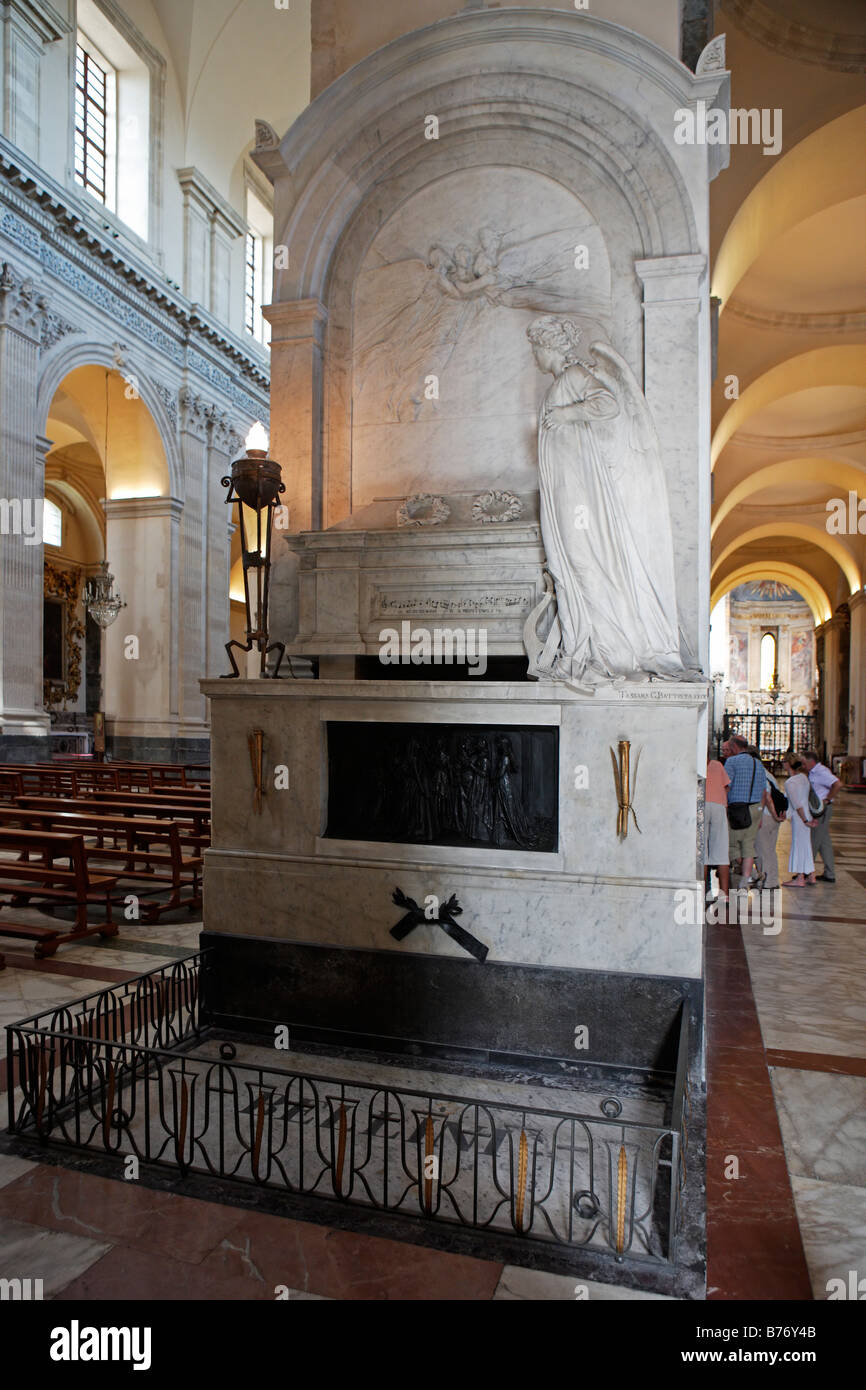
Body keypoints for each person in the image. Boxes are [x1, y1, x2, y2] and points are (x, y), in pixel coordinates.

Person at [722, 734, 767, 889]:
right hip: (755, 808)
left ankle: (752, 874)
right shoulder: (758, 763)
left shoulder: (732, 761)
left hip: (737, 808)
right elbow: (763, 790)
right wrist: (761, 811)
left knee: (732, 843)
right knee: (749, 844)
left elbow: (726, 785)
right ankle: (746, 879)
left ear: (734, 747)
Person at [802, 749, 842, 884]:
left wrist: (827, 800)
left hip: (822, 811)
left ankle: (805, 873)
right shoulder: (813, 772)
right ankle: (829, 873)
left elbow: (837, 784)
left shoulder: (821, 771)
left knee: (814, 840)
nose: (802, 766)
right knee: (824, 843)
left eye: (804, 763)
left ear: (811, 761)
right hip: (818, 809)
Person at [749, 748, 785, 890]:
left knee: (762, 850)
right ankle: (772, 880)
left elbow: (767, 797)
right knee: (770, 849)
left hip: (765, 816)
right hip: (773, 817)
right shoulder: (768, 774)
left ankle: (766, 882)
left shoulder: (758, 773)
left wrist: (769, 814)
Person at [782, 755, 817, 886]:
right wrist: (809, 818)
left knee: (798, 846)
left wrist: (805, 820)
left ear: (788, 764)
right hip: (807, 814)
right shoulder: (803, 778)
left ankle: (800, 878)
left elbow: (797, 804)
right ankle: (811, 875)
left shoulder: (790, 782)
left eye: (784, 761)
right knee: (806, 846)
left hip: (800, 817)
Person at [704, 756, 730, 902]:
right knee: (721, 850)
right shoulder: (717, 765)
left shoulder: (695, 764)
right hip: (718, 806)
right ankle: (724, 895)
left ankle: (701, 892)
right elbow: (726, 786)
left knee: (702, 852)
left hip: (701, 805)